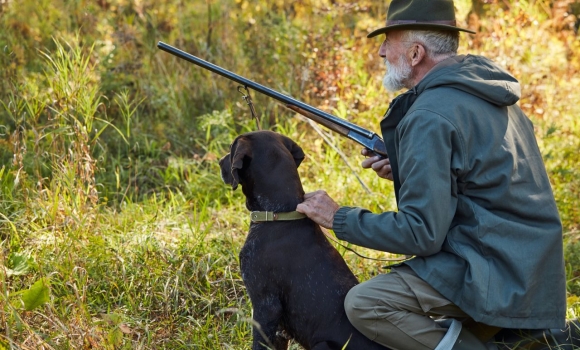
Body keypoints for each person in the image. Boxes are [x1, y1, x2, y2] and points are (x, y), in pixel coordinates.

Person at [295, 0, 567, 349]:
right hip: (531, 267)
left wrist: (339, 218)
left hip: (495, 272)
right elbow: (481, 178)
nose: (380, 52)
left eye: (387, 42)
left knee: (367, 304)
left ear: (415, 53)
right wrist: (410, 170)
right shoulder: (485, 90)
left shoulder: (430, 115)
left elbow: (421, 234)